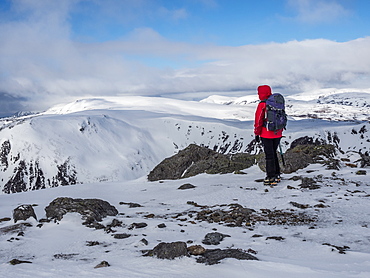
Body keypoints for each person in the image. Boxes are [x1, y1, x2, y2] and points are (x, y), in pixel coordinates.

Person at [254, 85, 283, 186]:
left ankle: (271, 177)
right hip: (278, 132)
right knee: (274, 153)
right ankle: (277, 174)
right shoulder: (277, 102)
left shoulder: (262, 104)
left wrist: (257, 133)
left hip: (266, 133)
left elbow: (258, 121)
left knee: (269, 155)